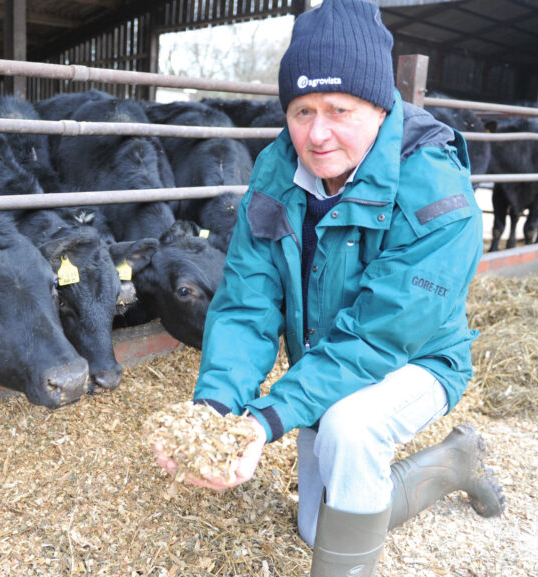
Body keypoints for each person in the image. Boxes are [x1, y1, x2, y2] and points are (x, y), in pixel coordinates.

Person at [150, 0, 506, 575]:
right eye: (301, 109)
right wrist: (215, 411)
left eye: (341, 109)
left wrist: (267, 419)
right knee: (317, 525)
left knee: (350, 427)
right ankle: (456, 463)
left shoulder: (437, 194)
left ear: (381, 105)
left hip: (416, 359)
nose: (317, 134)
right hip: (323, 355)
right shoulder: (276, 168)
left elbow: (378, 337)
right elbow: (246, 300)